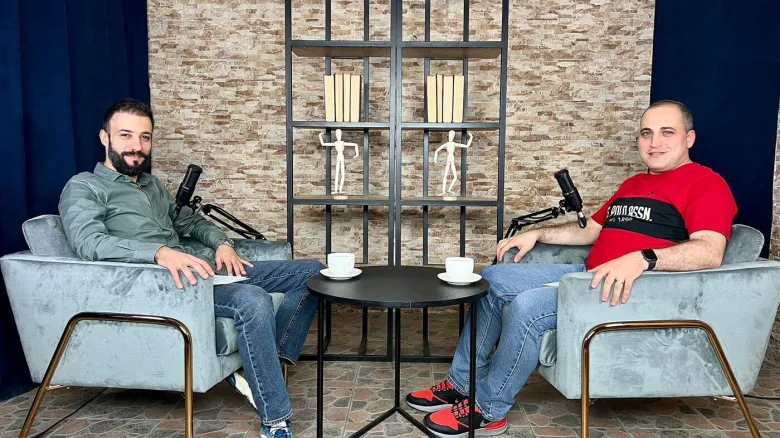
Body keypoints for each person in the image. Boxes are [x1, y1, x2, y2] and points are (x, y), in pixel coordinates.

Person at [406, 100, 738, 437]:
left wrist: (643, 258)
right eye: (646, 133)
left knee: (529, 307)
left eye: (667, 132)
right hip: (589, 275)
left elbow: (710, 251)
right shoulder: (634, 184)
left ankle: (489, 410)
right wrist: (538, 234)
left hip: (630, 291)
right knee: (491, 279)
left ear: (689, 138)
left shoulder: (706, 183)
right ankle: (462, 382)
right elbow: (591, 229)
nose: (655, 143)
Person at [58, 98, 322, 438]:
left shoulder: (151, 185)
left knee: (314, 273)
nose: (136, 146)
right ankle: (275, 418)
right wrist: (159, 253)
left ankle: (267, 361)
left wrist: (222, 243)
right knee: (252, 299)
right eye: (126, 135)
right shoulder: (84, 187)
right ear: (104, 137)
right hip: (162, 285)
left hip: (203, 272)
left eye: (145, 137)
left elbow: (189, 221)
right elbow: (88, 243)